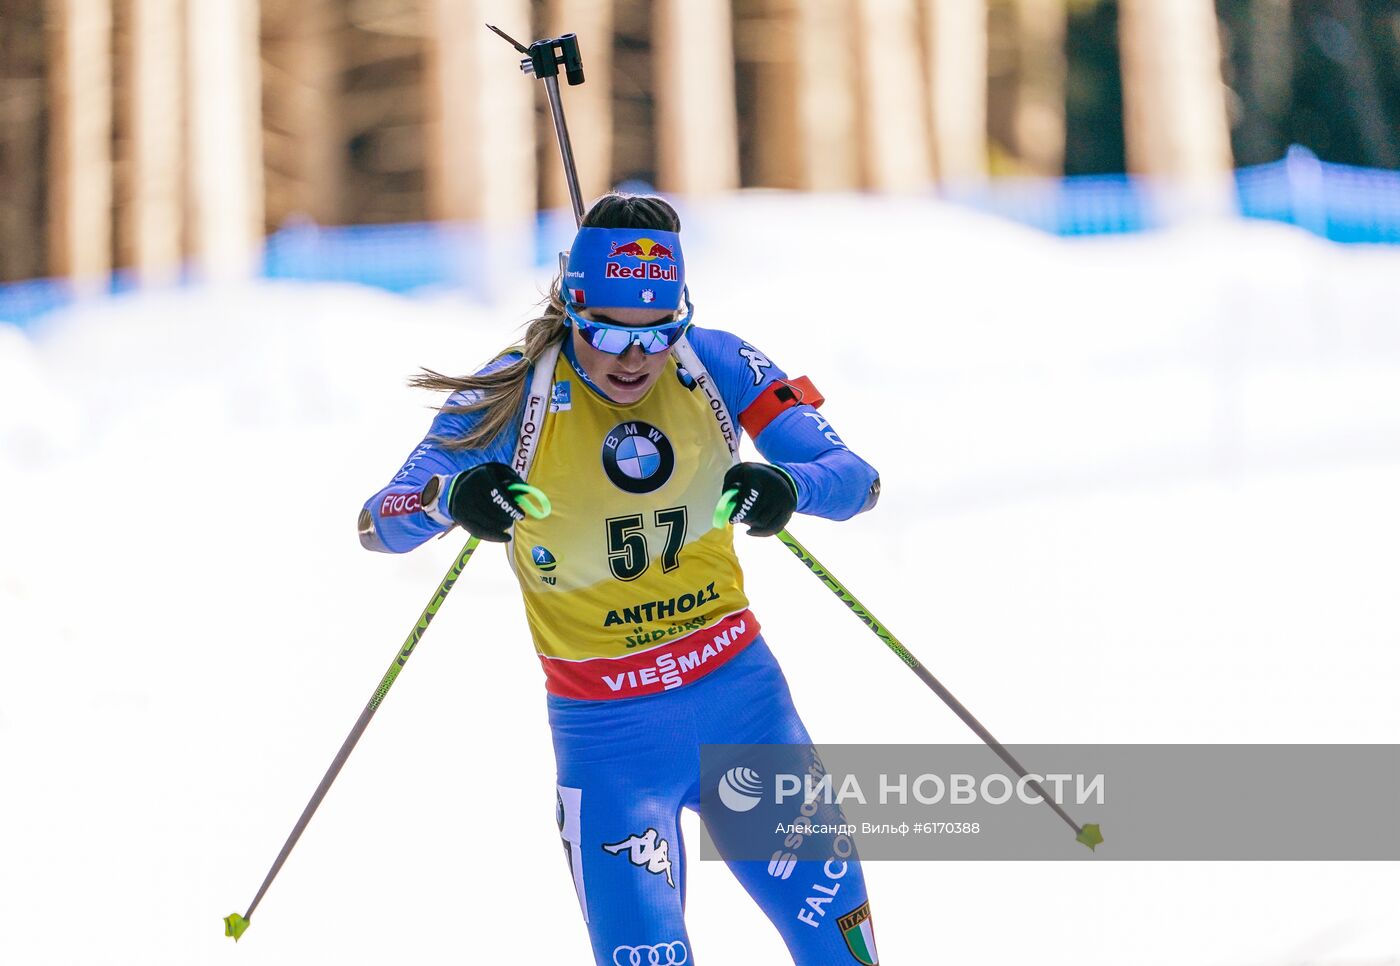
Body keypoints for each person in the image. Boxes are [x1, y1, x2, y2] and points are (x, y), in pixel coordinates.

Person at [359, 193, 883, 965]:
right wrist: (452, 496)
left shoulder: (718, 362)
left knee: (846, 955)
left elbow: (858, 479)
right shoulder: (514, 393)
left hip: (745, 708)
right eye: (607, 334)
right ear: (572, 310)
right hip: (612, 741)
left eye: (658, 336)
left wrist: (790, 487)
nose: (634, 360)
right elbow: (378, 523)